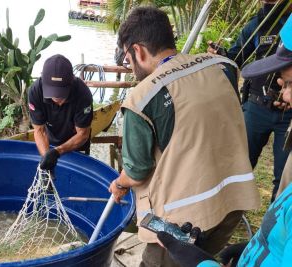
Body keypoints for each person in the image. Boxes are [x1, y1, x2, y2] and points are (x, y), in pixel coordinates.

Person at [108, 6, 260, 267]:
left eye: (127, 59)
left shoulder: (142, 98)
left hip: (182, 225)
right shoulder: (223, 66)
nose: (131, 68)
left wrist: (120, 183)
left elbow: (137, 171)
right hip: (233, 201)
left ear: (137, 50)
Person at [158, 15, 292, 267]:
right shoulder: (256, 24)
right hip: (258, 107)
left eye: (290, 83)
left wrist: (200, 263)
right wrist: (260, 246)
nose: (284, 92)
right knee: (244, 163)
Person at [208, 0, 292, 202]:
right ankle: (229, 209)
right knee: (240, 164)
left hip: (287, 114)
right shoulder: (254, 26)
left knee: (284, 176)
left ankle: (277, 221)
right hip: (257, 106)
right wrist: (220, 55)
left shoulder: (289, 24)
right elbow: (235, 59)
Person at [28, 54, 93, 170]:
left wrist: (58, 151)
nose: (57, 98)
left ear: (72, 80)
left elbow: (83, 134)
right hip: (49, 138)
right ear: (43, 81)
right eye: (52, 91)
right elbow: (39, 131)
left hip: (76, 142)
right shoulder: (35, 91)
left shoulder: (83, 94)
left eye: (62, 92)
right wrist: (47, 158)